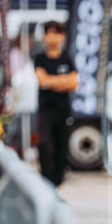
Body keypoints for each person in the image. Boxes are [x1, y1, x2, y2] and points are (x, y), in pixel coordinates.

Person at [33, 20, 77, 187]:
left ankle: (56, 184)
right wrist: (62, 81)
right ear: (44, 36)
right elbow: (41, 80)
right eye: (49, 34)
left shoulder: (67, 57)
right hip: (45, 112)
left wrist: (51, 82)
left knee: (61, 150)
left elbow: (73, 83)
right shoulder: (40, 58)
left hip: (63, 112)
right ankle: (46, 181)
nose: (52, 38)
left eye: (56, 34)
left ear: (62, 36)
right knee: (44, 145)